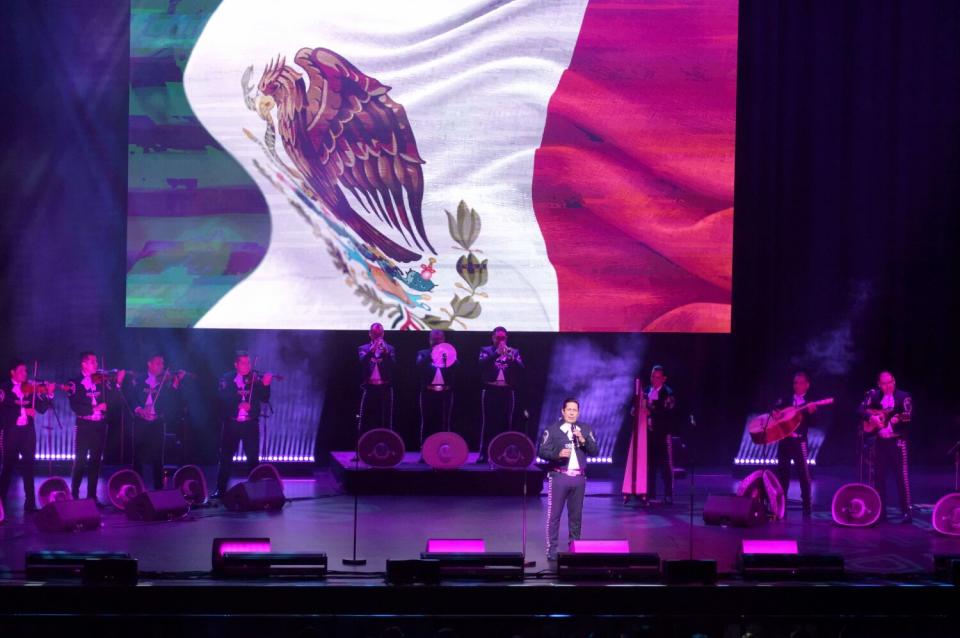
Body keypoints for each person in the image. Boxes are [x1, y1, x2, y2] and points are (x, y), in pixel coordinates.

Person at [538, 398, 598, 562]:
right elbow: (542, 452)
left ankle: (575, 547)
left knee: (576, 517)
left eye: (575, 410)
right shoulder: (552, 430)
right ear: (563, 411)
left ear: (578, 412)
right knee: (554, 516)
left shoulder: (585, 429)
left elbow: (595, 451)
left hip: (579, 478)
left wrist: (584, 440)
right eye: (569, 409)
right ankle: (552, 549)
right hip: (559, 476)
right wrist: (557, 455)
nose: (572, 412)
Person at [67, 352, 125, 503]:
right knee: (80, 460)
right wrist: (94, 408)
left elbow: (113, 399)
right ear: (84, 364)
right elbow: (74, 406)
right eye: (93, 362)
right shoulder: (74, 382)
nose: (96, 364)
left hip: (99, 425)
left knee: (95, 461)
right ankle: (74, 494)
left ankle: (92, 496)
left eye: (96, 362)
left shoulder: (101, 380)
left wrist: (118, 383)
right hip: (84, 424)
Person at [214, 351, 272, 498]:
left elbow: (265, 398)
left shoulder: (256, 379)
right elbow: (221, 398)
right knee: (225, 458)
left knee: (253, 459)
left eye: (249, 362)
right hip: (231, 424)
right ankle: (220, 491)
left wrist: (266, 385)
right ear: (236, 364)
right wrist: (239, 405)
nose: (248, 365)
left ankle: (256, 491)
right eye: (244, 362)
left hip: (250, 424)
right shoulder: (226, 378)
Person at [0, 359, 54, 514]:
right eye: (22, 371)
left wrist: (49, 394)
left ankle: (30, 503)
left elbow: (42, 408)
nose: (25, 374)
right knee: (7, 468)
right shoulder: (4, 389)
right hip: (11, 432)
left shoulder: (31, 388)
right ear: (12, 372)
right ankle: (1, 503)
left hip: (28, 433)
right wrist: (21, 412)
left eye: (26, 371)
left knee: (29, 467)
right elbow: (3, 411)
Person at [858, 370, 913, 523]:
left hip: (897, 442)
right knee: (879, 477)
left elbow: (908, 415)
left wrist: (897, 420)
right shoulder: (874, 396)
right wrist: (872, 417)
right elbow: (860, 410)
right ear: (879, 385)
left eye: (890, 382)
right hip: (881, 442)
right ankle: (881, 512)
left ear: (894, 381)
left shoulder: (903, 396)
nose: (888, 386)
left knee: (901, 478)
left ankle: (906, 511)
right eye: (884, 383)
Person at [121, 353, 183, 489]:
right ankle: (137, 488)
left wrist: (174, 386)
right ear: (149, 364)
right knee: (137, 457)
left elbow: (170, 402)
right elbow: (131, 399)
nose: (161, 366)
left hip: (157, 422)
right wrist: (139, 409)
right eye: (158, 363)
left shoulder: (165, 381)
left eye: (162, 364)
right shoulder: (138, 379)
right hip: (140, 422)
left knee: (158, 457)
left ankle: (159, 489)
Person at [771, 371, 817, 517]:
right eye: (795, 382)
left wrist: (812, 412)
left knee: (803, 474)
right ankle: (782, 504)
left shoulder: (810, 401)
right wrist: (775, 413)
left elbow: (815, 422)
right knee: (783, 473)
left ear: (807, 385)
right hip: (785, 441)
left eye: (800, 382)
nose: (797, 385)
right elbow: (774, 410)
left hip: (799, 441)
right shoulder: (787, 399)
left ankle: (806, 506)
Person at [477, 326, 524, 462]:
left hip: (507, 391)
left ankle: (503, 454)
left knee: (506, 423)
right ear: (492, 338)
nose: (500, 340)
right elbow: (481, 365)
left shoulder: (514, 351)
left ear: (506, 338)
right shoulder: (485, 350)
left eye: (503, 338)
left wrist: (511, 358)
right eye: (498, 338)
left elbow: (522, 369)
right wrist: (497, 353)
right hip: (491, 390)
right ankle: (484, 454)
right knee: (488, 423)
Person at [415, 329, 457, 446]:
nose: (437, 342)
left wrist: (447, 355)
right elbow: (418, 367)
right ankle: (425, 452)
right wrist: (432, 354)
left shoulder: (449, 353)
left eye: (439, 340)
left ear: (443, 340)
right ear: (430, 340)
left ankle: (443, 449)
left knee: (444, 423)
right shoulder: (422, 353)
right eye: (434, 340)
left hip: (445, 393)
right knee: (427, 423)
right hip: (428, 392)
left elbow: (457, 367)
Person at [645, 365, 677, 505]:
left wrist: (651, 409)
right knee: (649, 464)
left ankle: (668, 494)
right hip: (649, 435)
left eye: (658, 377)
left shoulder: (668, 393)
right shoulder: (646, 390)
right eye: (653, 376)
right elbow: (637, 406)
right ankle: (650, 493)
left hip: (663, 433)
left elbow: (667, 411)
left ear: (663, 379)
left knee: (665, 465)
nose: (654, 380)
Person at [358, 323, 396, 431]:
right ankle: (364, 444)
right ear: (370, 334)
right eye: (375, 334)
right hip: (370, 388)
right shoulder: (363, 348)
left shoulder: (390, 348)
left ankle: (386, 444)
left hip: (385, 388)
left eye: (379, 334)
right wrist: (372, 350)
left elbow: (393, 366)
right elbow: (362, 362)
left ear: (383, 334)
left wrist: (386, 353)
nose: (377, 336)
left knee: (385, 419)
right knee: (366, 418)